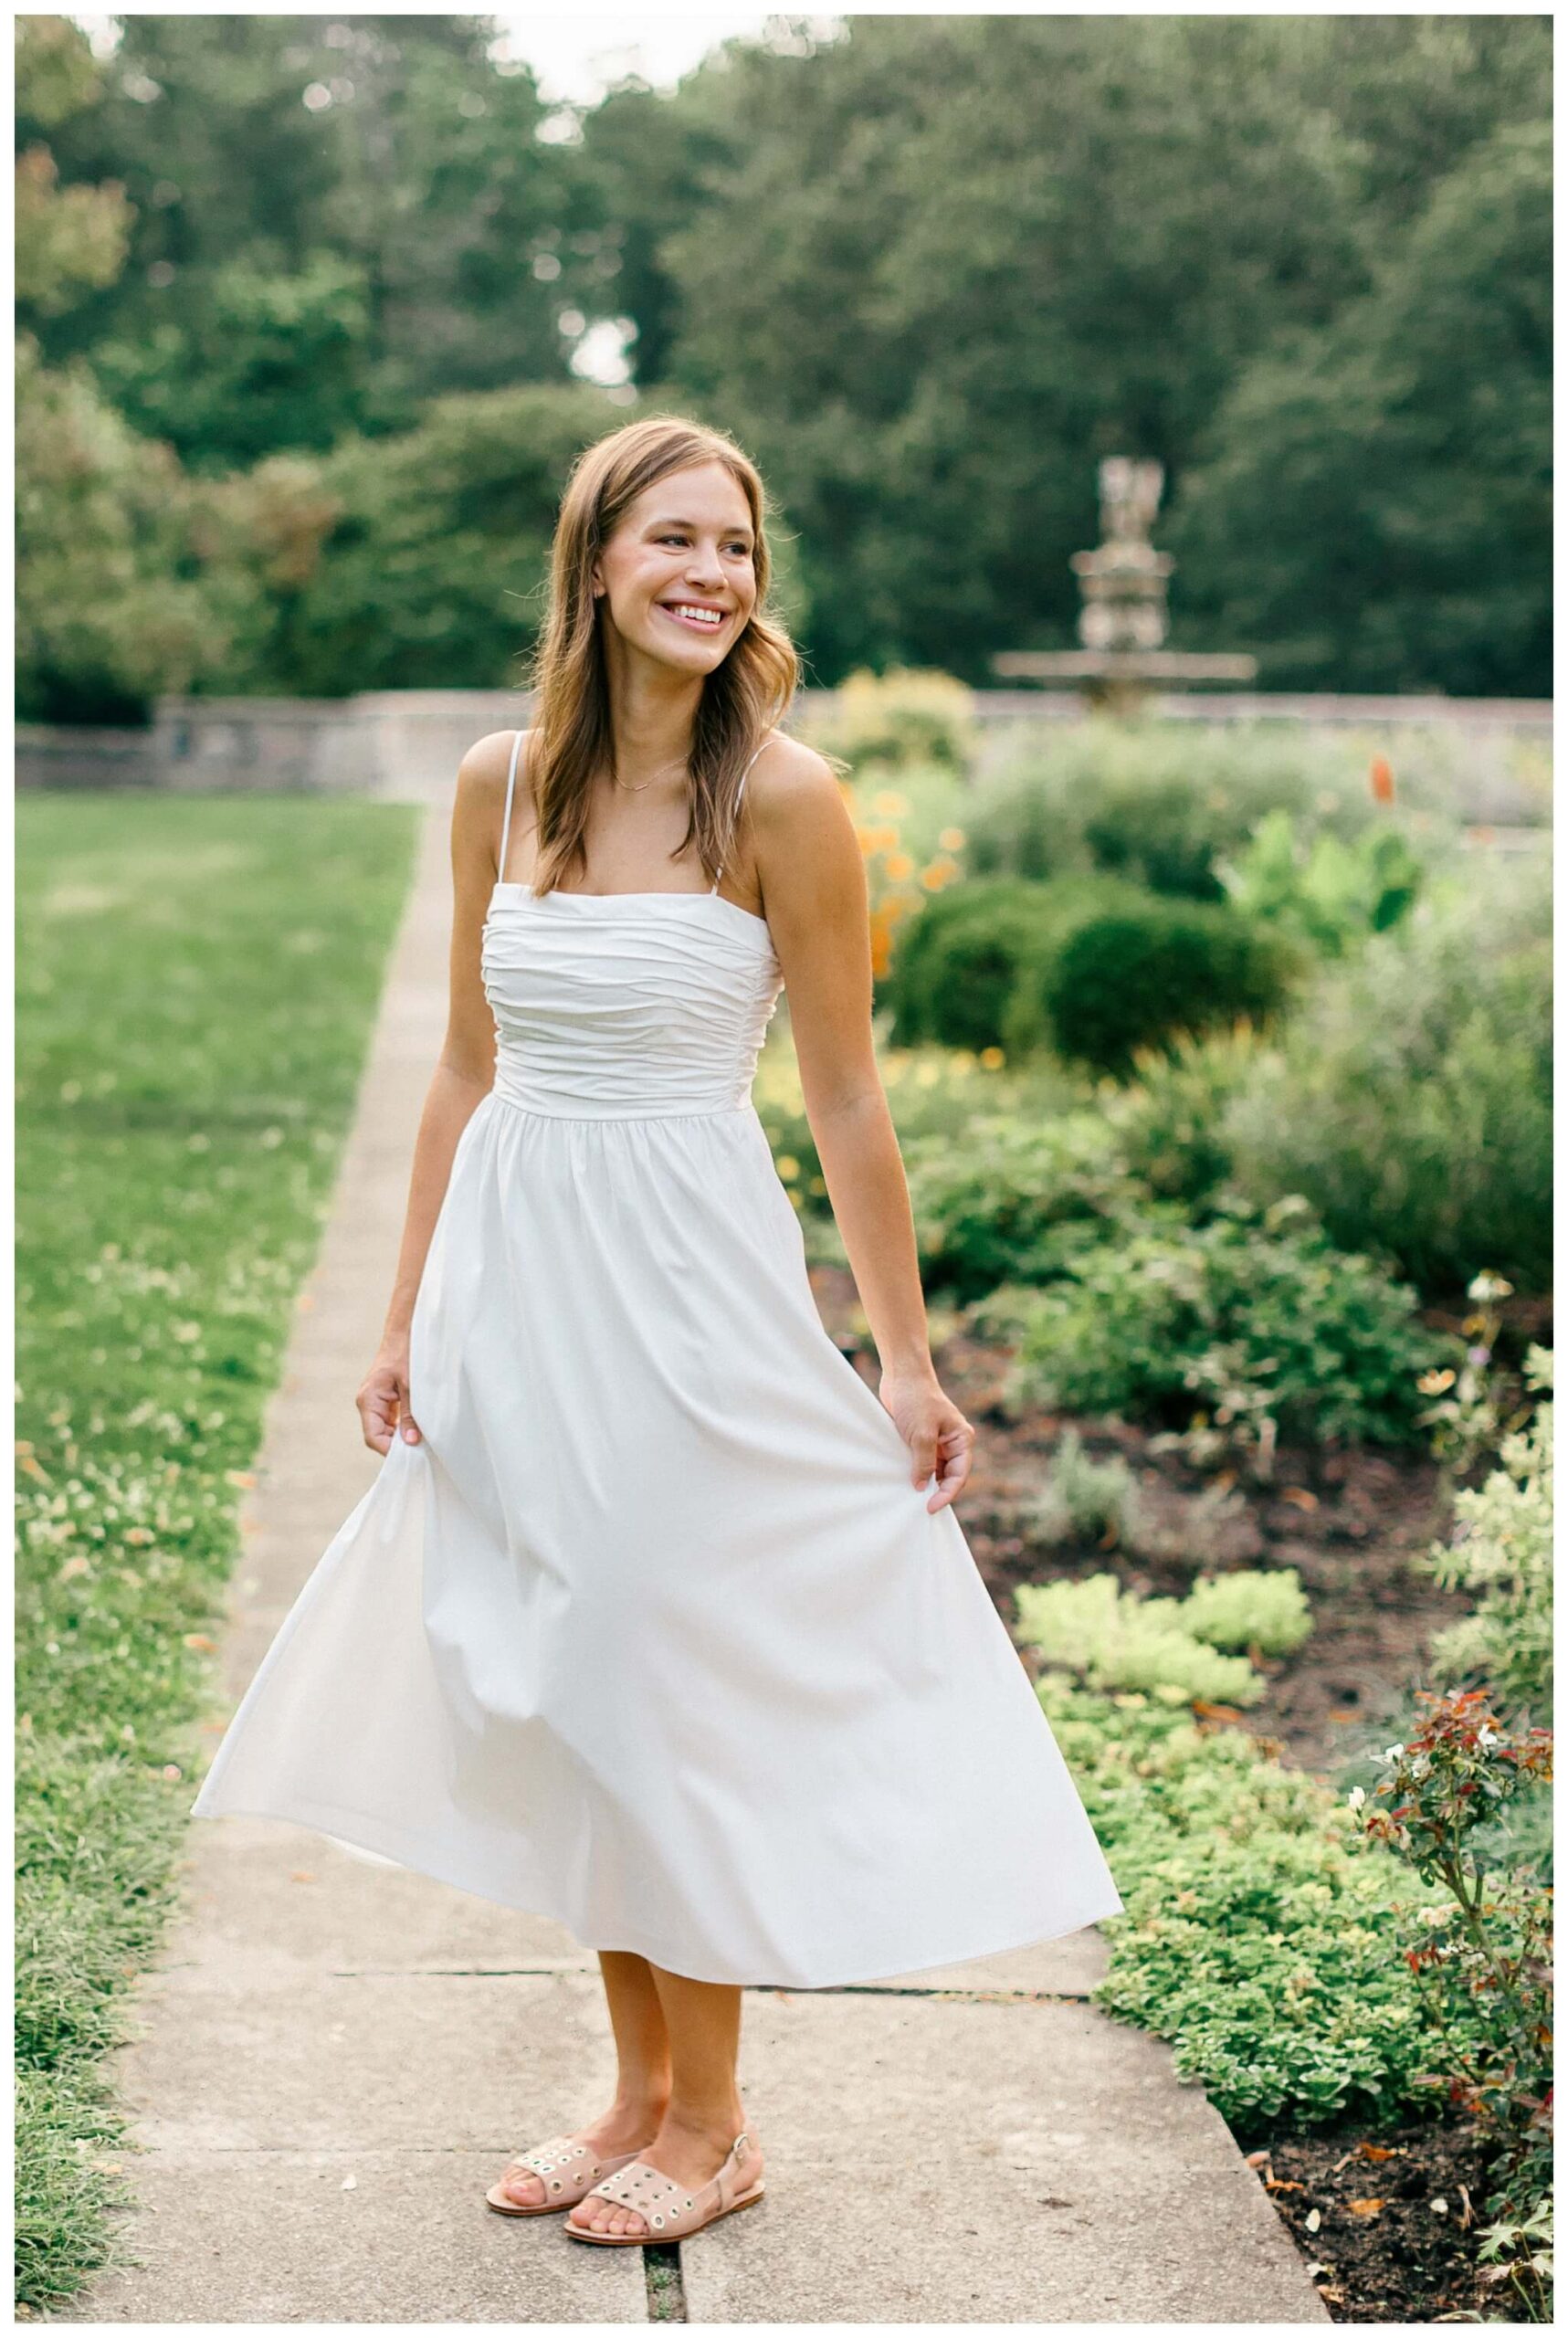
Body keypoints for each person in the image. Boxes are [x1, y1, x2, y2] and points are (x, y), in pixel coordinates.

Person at [191, 414, 1124, 2248]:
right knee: (568, 1685)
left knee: (661, 1685)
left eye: (738, 547)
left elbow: (849, 1101)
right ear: (598, 562)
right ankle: (629, 2091)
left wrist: (904, 1358)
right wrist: (403, 1317)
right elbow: (466, 1064)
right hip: (517, 1289)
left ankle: (717, 2117)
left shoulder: (784, 795)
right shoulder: (500, 779)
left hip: (688, 1295)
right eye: (675, 538)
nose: (711, 573)